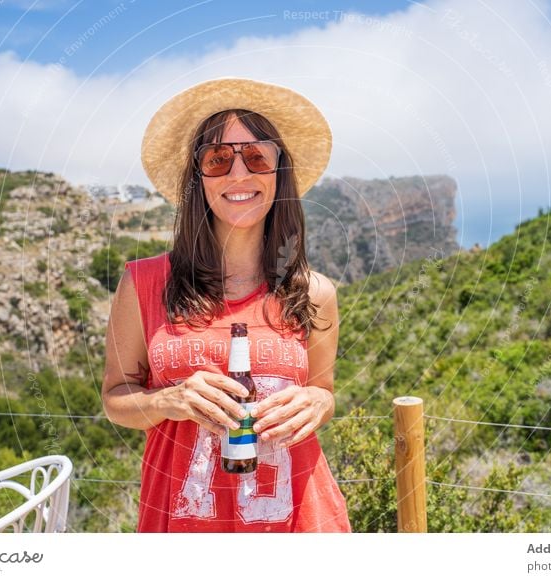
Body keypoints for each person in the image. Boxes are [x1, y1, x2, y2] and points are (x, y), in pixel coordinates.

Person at [101, 78, 351, 532]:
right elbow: (116, 400)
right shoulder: (143, 283)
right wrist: (171, 399)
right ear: (198, 178)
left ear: (279, 173)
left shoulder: (315, 293)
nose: (239, 175)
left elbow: (325, 393)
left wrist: (317, 401)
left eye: (256, 157)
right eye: (218, 159)